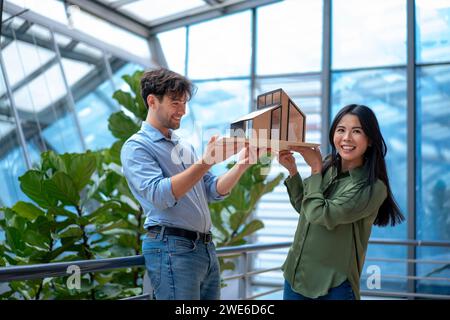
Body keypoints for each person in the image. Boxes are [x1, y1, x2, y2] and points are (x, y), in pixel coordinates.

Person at [120, 68, 260, 300]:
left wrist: (242, 164)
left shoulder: (184, 146)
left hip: (204, 248)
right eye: (175, 102)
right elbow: (158, 195)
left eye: (184, 103)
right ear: (152, 101)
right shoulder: (136, 147)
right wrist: (206, 161)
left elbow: (211, 190)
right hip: (172, 248)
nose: (182, 110)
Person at [277, 104, 404, 300]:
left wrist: (315, 169)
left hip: (334, 287)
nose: (346, 138)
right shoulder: (328, 167)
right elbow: (306, 208)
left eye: (357, 131)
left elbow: (320, 214)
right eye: (341, 130)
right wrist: (293, 171)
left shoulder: (372, 188)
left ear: (369, 140)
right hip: (295, 277)